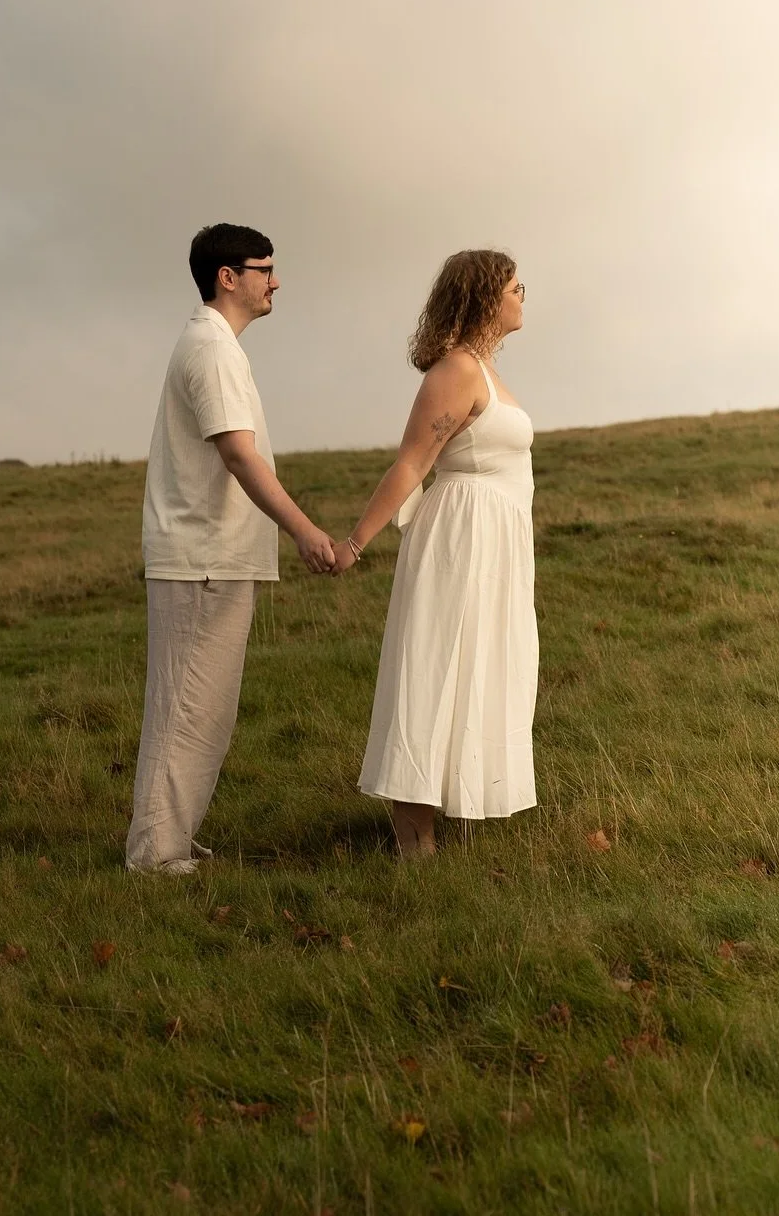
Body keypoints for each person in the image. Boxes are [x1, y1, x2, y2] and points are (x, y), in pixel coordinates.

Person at [126, 224, 337, 874]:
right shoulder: (212, 349)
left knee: (203, 711)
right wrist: (304, 530)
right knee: (186, 710)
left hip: (212, 557)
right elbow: (240, 456)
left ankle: (171, 838)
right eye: (264, 269)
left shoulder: (217, 345)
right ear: (228, 276)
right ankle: (155, 855)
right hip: (202, 558)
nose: (276, 282)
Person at [332, 251, 537, 857]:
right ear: (485, 298)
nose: (523, 295)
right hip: (460, 541)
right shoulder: (458, 370)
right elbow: (411, 464)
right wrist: (354, 544)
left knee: (480, 667)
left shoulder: (486, 370)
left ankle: (450, 806)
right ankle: (412, 835)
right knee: (436, 666)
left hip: (496, 546)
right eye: (514, 286)